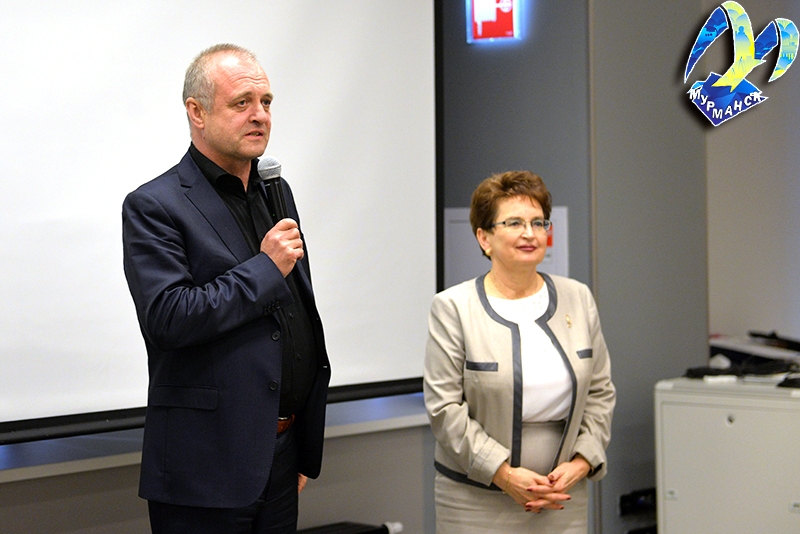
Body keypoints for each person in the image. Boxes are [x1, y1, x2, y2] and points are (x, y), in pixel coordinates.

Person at [122, 44, 331, 534]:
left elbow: (293, 314)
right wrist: (265, 268)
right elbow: (169, 317)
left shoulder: (275, 189)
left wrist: (299, 440)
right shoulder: (155, 205)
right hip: (206, 466)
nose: (260, 115)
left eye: (266, 102)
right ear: (197, 112)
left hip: (280, 452)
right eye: (242, 103)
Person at [423, 170, 615, 533]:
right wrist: (504, 474)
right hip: (476, 499)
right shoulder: (454, 307)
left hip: (561, 496)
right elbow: (444, 409)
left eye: (538, 223)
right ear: (484, 237)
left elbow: (600, 393)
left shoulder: (578, 298)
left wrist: (582, 462)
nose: (530, 233)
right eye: (514, 223)